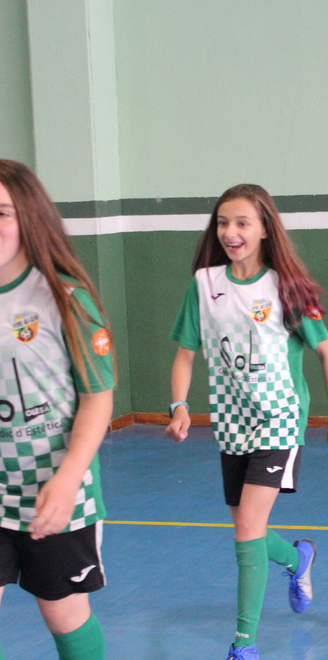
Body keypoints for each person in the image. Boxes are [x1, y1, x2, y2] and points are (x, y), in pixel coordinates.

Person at [166, 184, 328, 660]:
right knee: (246, 529)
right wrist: (179, 406)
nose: (230, 232)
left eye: (242, 223)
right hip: (231, 423)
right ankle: (298, 558)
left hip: (280, 420)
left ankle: (243, 645)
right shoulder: (204, 285)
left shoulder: (286, 288)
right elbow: (185, 354)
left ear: (265, 229)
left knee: (247, 528)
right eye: (222, 223)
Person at [0, 160, 115, 660]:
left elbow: (97, 396)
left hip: (57, 490)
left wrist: (67, 480)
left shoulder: (65, 297)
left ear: (28, 216)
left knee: (63, 614)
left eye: (1, 213)